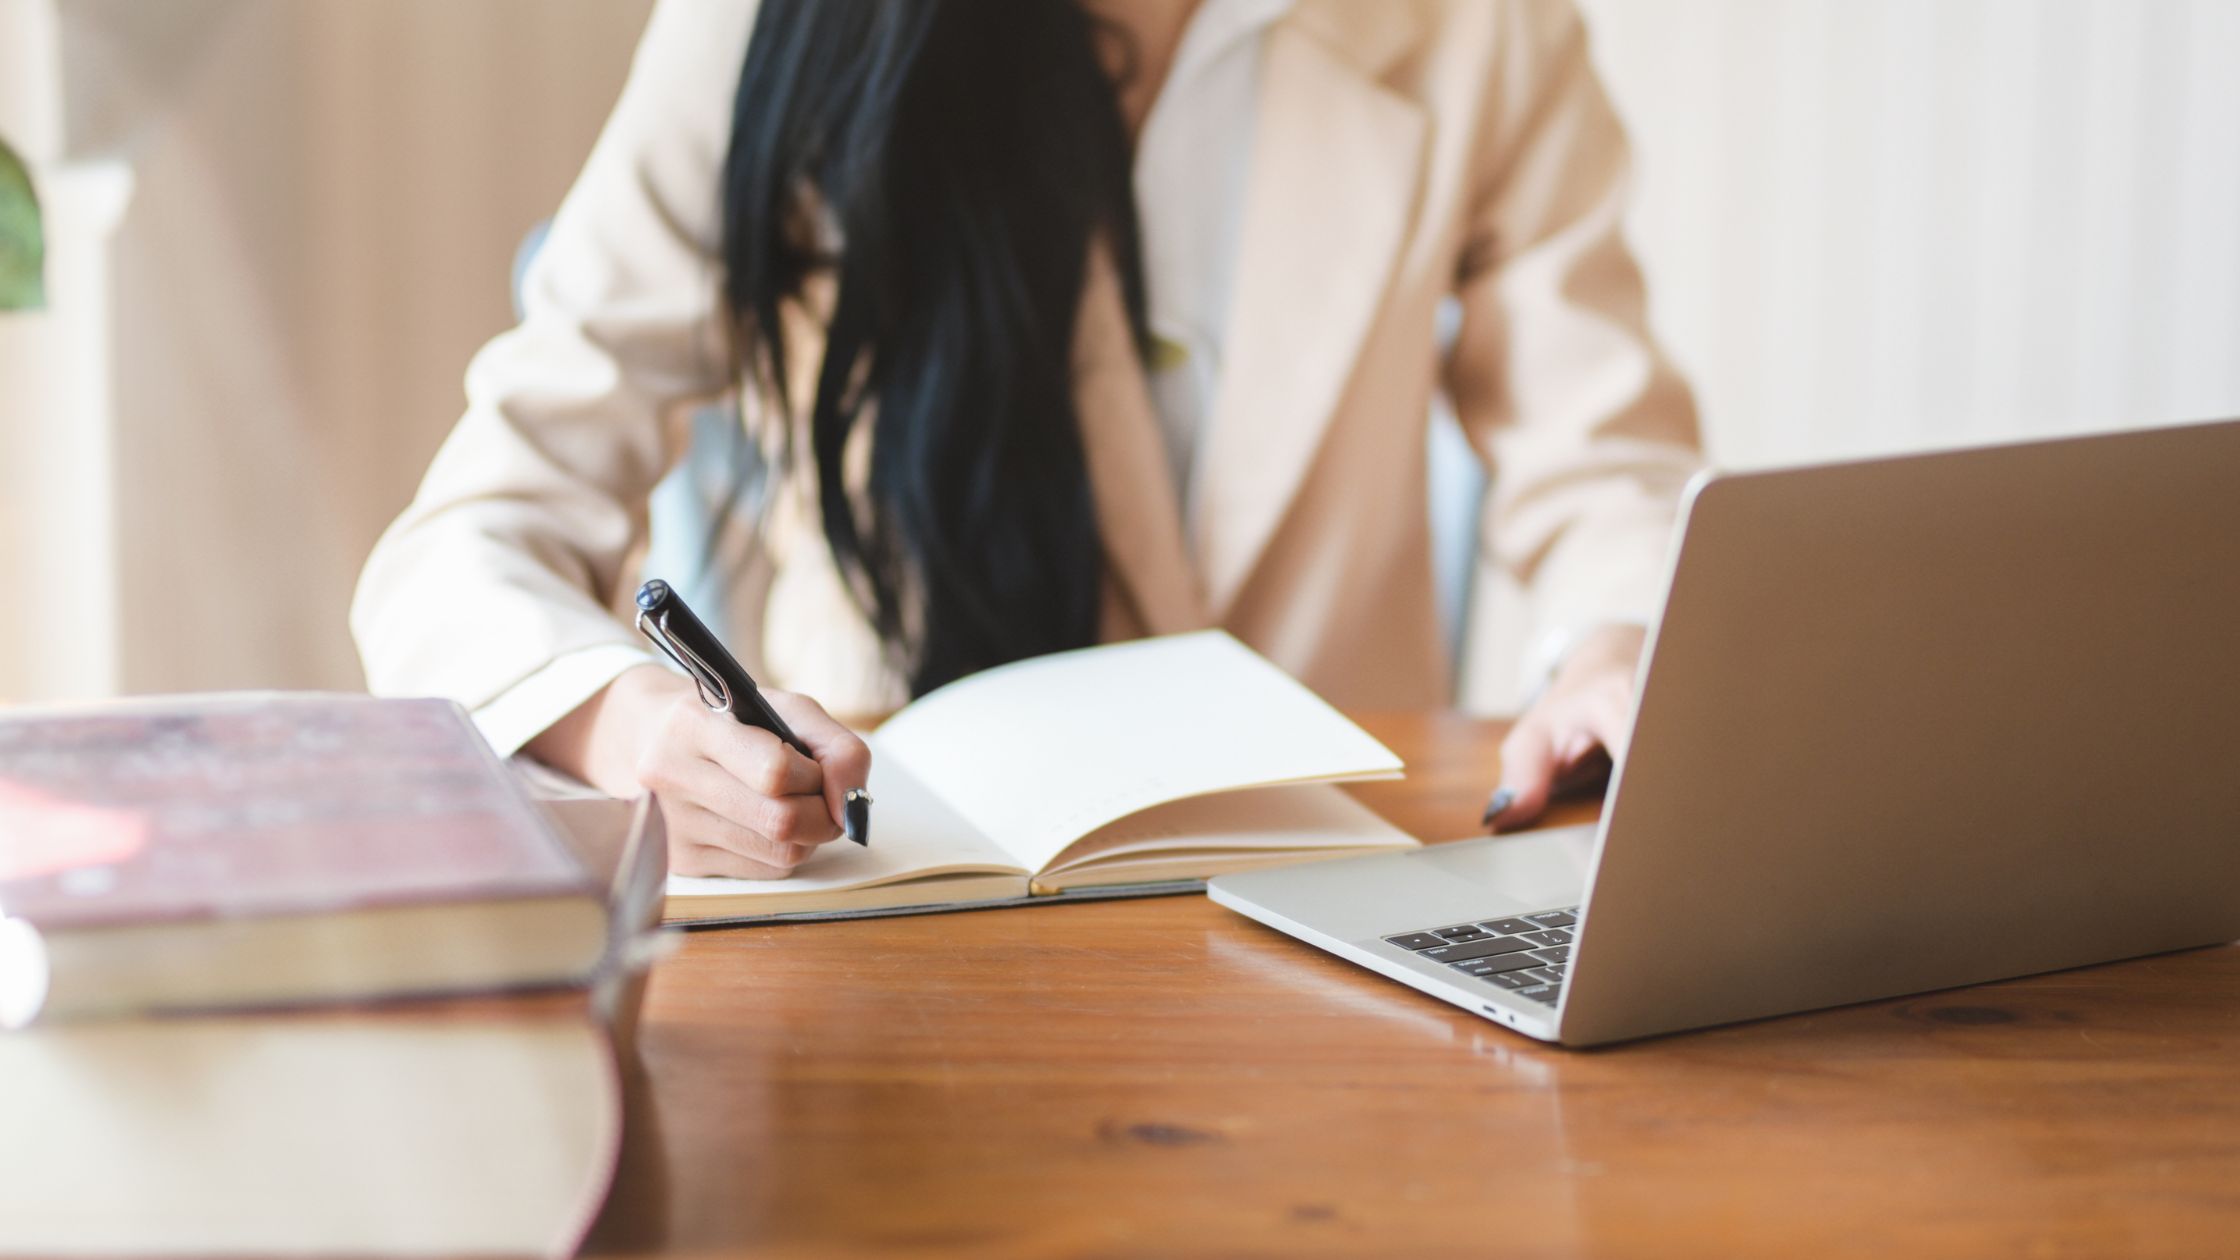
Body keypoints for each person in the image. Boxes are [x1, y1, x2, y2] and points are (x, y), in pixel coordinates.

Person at [352, 0, 1703, 880]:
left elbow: (1604, 465)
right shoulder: (763, 29)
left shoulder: (1485, 29)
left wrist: (1613, 648)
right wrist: (632, 726)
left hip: (1327, 890)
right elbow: (467, 541)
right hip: (897, 888)